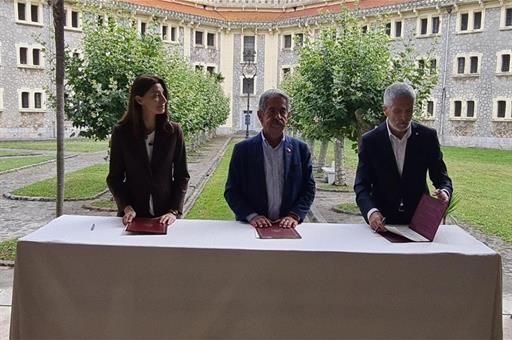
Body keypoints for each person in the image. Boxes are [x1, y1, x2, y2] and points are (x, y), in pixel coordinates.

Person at [354, 82, 453, 232]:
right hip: (382, 222)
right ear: (385, 110)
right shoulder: (370, 141)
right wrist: (371, 212)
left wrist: (444, 192)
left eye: (409, 111)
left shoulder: (428, 137)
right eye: (398, 111)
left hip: (420, 221)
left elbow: (442, 178)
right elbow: (361, 185)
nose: (404, 117)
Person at [224, 89, 316, 229]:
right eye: (271, 111)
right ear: (261, 116)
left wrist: (294, 215)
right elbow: (232, 191)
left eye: (282, 111)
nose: (277, 116)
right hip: (252, 228)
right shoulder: (243, 150)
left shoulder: (301, 149)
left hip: (289, 227)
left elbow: (308, 188)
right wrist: (251, 216)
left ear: (288, 116)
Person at [107, 75, 189, 226]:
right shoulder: (122, 133)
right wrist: (126, 207)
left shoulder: (174, 132)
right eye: (156, 96)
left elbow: (181, 176)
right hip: (132, 217)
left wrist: (173, 211)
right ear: (139, 100)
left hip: (166, 217)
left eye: (164, 94)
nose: (164, 100)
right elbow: (114, 178)